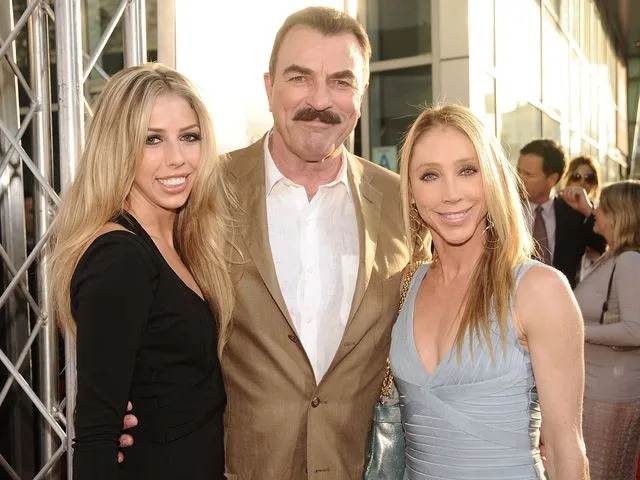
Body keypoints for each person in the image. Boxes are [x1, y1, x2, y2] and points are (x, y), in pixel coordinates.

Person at [120, 7, 408, 479]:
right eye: (300, 77)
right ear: (269, 86)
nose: (320, 100)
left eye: (341, 81)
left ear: (362, 94)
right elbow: (140, 295)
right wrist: (121, 402)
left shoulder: (403, 202)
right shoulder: (205, 190)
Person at [48, 64, 234, 479]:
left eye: (189, 137)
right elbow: (96, 431)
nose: (177, 158)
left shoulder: (181, 243)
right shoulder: (120, 257)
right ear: (118, 147)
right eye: (152, 140)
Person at [391, 104, 589, 479]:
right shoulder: (406, 286)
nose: (450, 194)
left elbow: (566, 451)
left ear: (493, 179)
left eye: (467, 170)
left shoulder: (538, 290)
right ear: (412, 192)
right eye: (430, 175)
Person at [573, 180, 640, 480]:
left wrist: (576, 331)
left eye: (602, 206)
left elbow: (635, 331)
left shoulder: (629, 261)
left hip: (611, 396)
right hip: (599, 390)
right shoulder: (613, 256)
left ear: (618, 216)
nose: (595, 210)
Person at [517, 139, 605, 288]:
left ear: (552, 179)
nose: (518, 178)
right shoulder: (505, 211)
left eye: (528, 174)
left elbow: (605, 245)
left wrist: (587, 210)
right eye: (518, 170)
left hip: (562, 304)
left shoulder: (574, 214)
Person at [562, 155, 602, 281]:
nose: (582, 182)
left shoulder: (600, 211)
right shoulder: (553, 206)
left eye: (589, 178)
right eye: (577, 176)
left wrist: (588, 211)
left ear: (595, 183)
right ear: (568, 178)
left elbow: (603, 245)